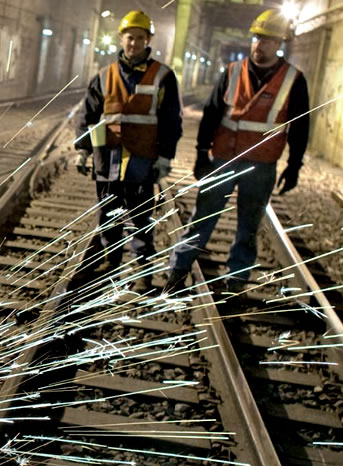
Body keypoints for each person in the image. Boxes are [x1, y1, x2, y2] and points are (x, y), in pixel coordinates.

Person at [164, 9, 308, 293]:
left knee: (248, 226)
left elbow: (300, 126)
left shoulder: (293, 80)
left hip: (261, 165)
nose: (259, 44)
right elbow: (212, 114)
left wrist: (294, 165)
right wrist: (201, 152)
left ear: (279, 43)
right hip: (223, 159)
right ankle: (178, 272)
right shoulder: (232, 73)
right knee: (202, 218)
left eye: (266, 40)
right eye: (256, 38)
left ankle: (236, 280)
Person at [74, 9, 182, 292]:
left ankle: (143, 273)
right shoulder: (104, 76)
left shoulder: (163, 76)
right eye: (129, 38)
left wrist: (165, 157)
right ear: (120, 39)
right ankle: (112, 264)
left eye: (139, 38)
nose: (133, 43)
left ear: (148, 40)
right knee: (108, 214)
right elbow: (88, 116)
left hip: (141, 160)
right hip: (107, 159)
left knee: (141, 217)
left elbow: (171, 121)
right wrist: (82, 151)